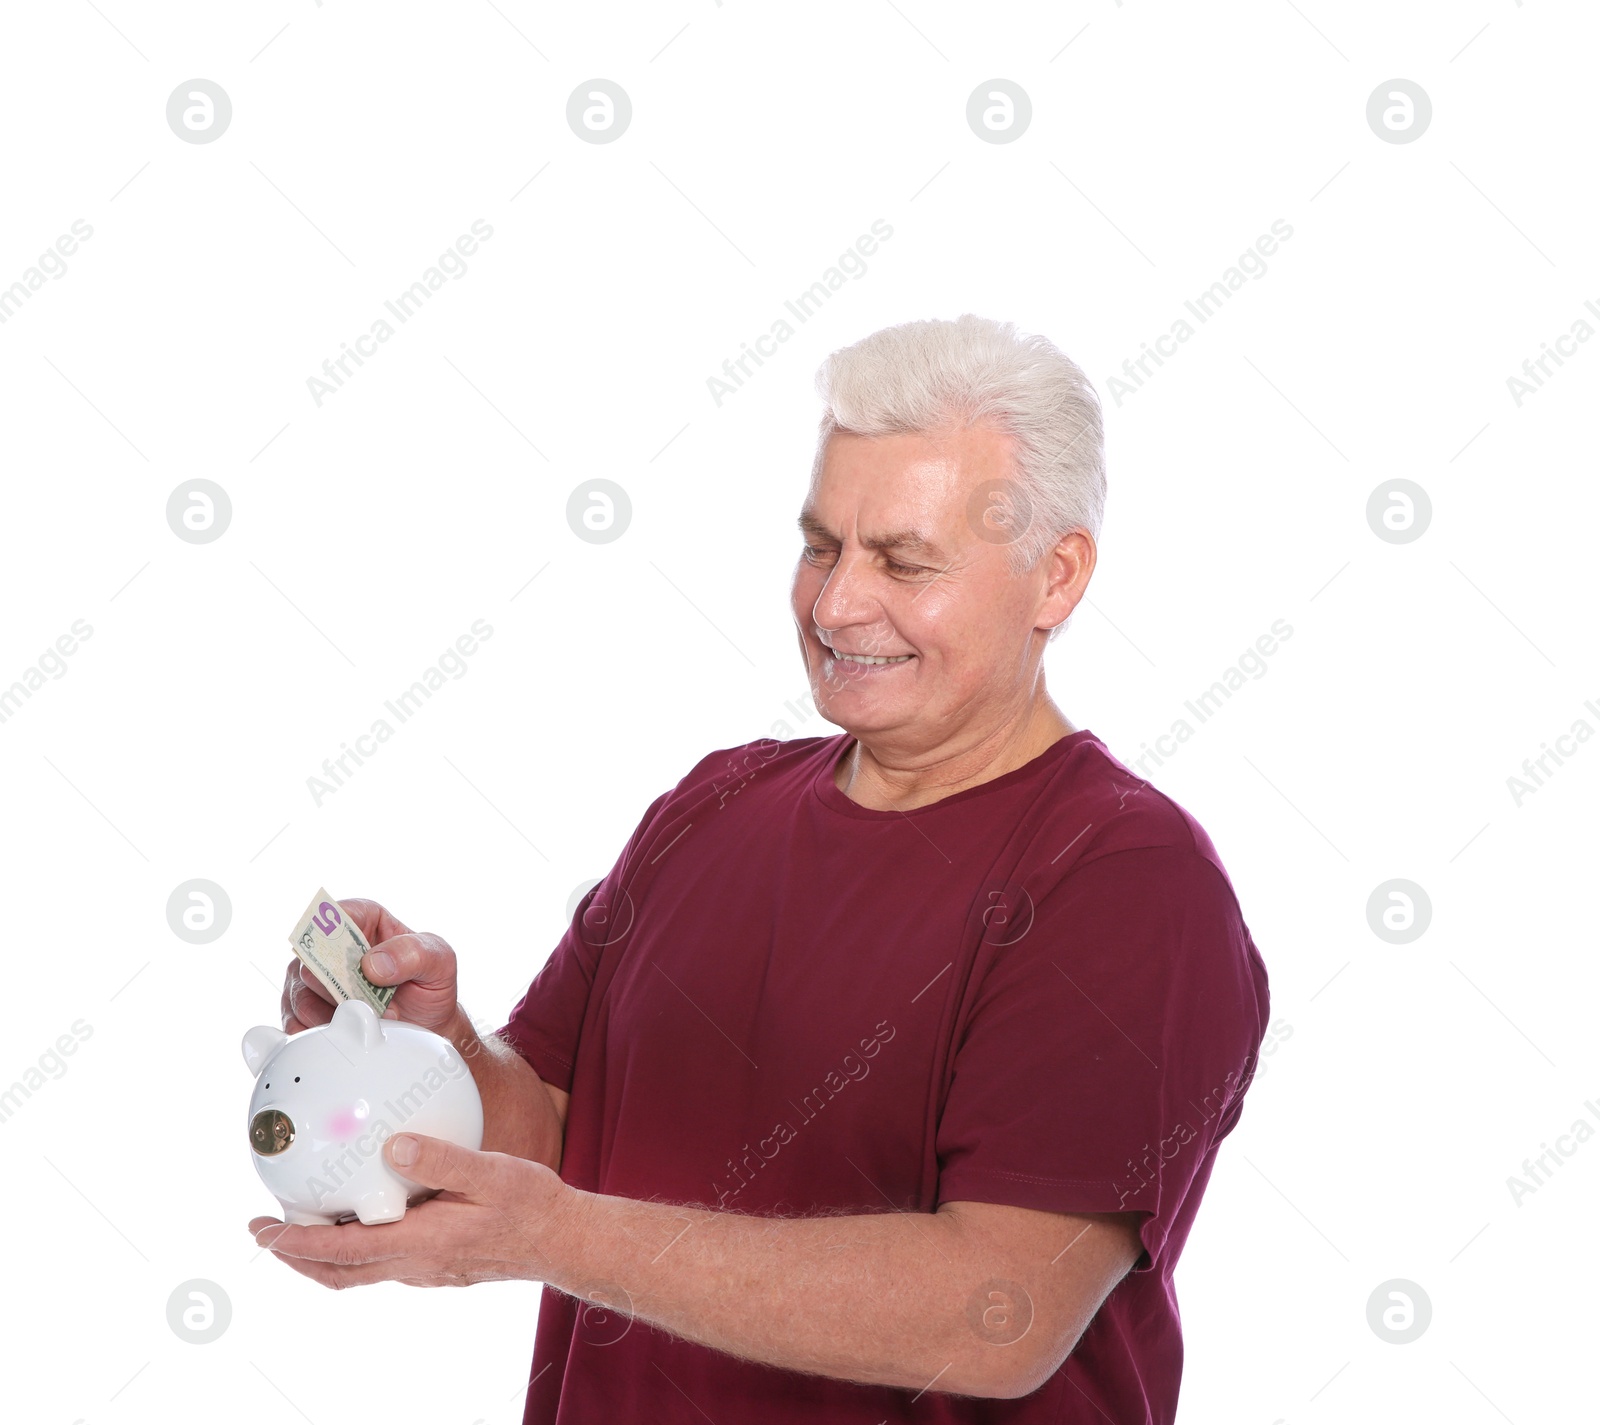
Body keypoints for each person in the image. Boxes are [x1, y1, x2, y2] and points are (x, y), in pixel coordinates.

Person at [254, 314, 1271, 1424]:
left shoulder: (1123, 880)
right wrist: (432, 1051)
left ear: (1055, 577)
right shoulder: (715, 803)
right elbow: (550, 1131)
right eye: (821, 545)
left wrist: (554, 1237)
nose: (835, 606)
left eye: (904, 561)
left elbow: (995, 1310)